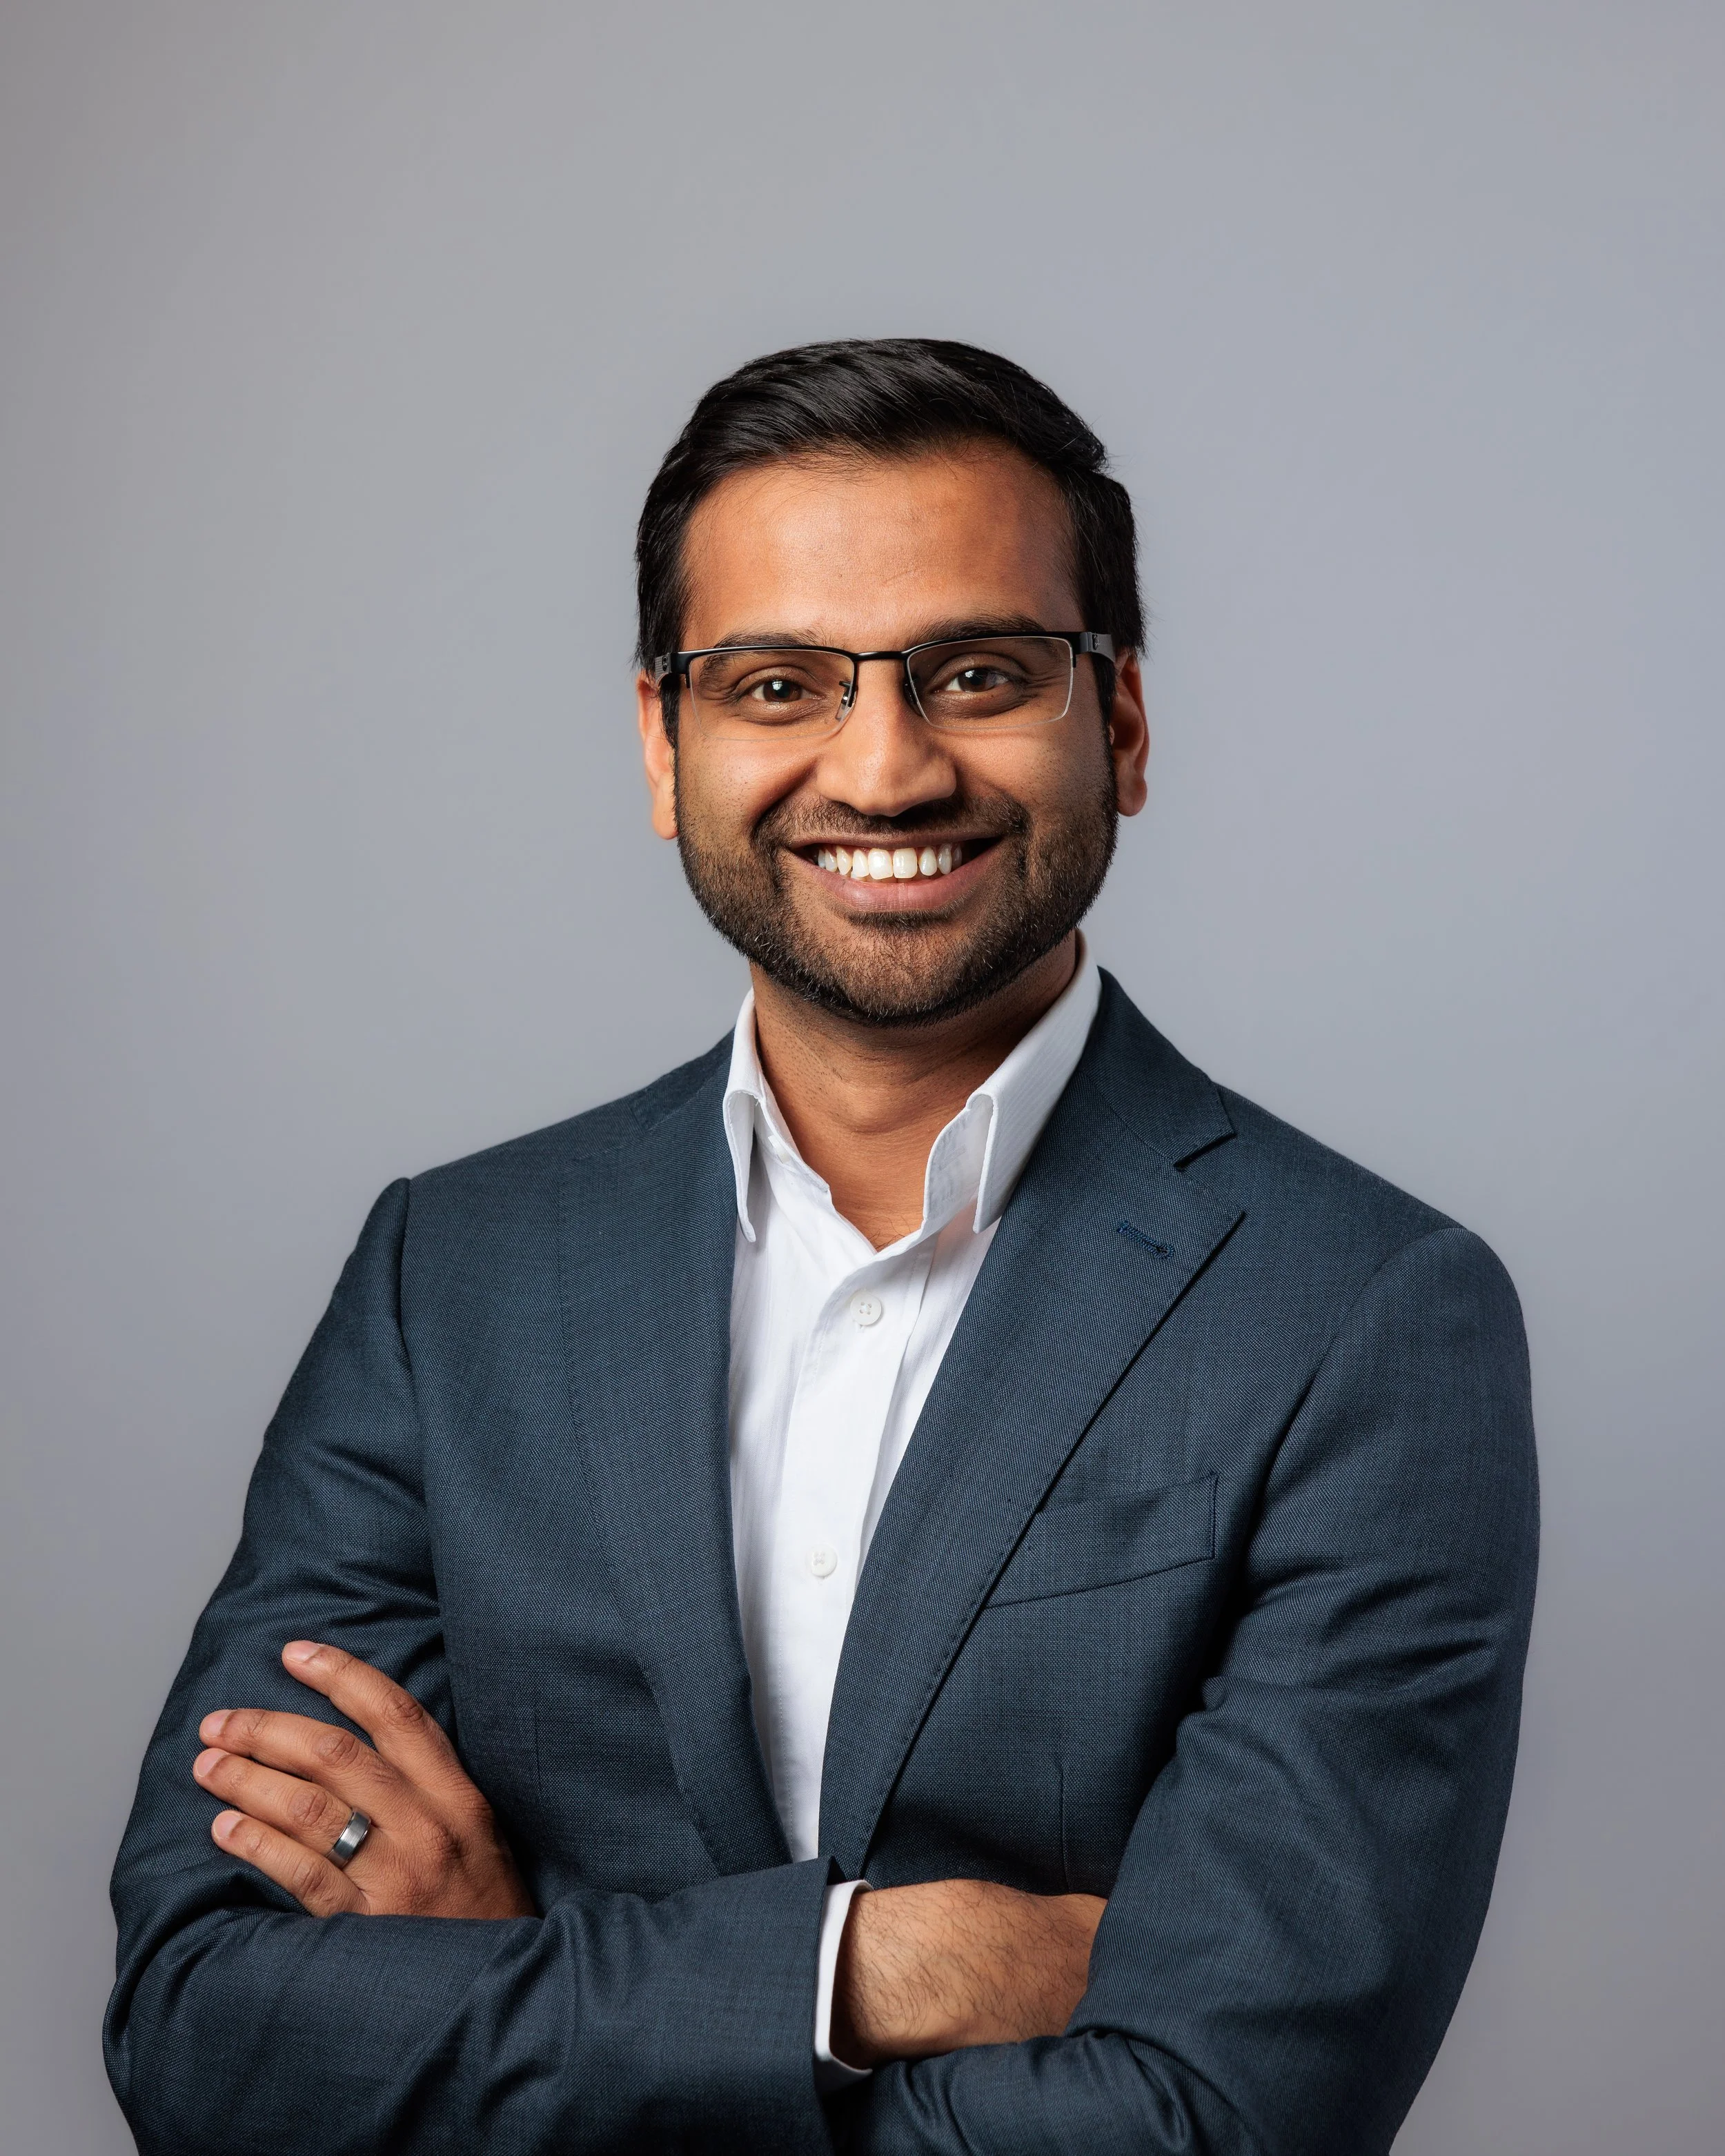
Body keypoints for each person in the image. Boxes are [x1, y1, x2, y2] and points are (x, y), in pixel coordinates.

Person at [104, 338, 1539, 2156]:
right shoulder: (448, 1275)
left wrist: (515, 1999)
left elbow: (1212, 2118)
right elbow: (203, 2034)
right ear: (662, 744)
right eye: (778, 681)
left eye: (980, 671)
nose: (881, 765)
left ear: (1124, 726)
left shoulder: (1363, 1315)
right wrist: (863, 1969)